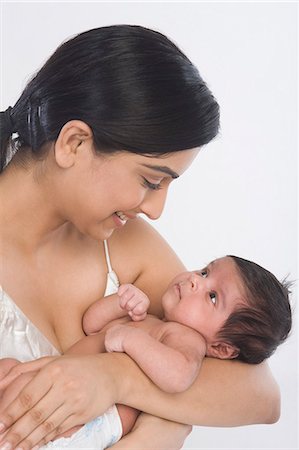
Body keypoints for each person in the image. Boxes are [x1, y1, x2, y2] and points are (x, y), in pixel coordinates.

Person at [0, 24, 281, 450]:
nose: (155, 210)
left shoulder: (126, 243)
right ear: (74, 143)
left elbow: (263, 395)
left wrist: (113, 379)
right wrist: (165, 425)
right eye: (152, 181)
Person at [0, 254, 291, 448]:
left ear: (222, 348)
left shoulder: (185, 340)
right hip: (65, 388)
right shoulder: (152, 321)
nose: (194, 280)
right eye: (204, 271)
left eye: (212, 296)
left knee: (25, 398)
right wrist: (120, 304)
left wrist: (129, 339)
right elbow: (91, 325)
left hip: (97, 417)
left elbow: (178, 376)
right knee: (8, 368)